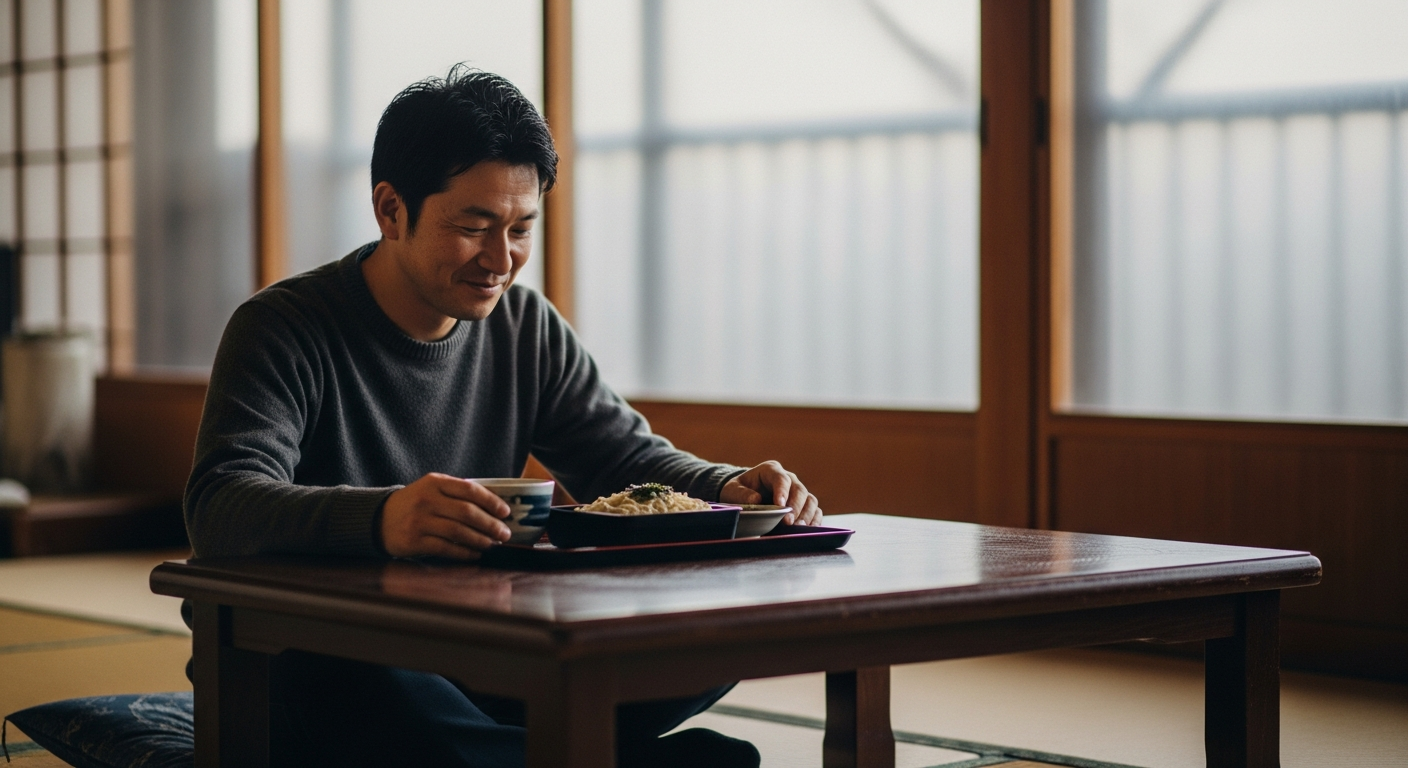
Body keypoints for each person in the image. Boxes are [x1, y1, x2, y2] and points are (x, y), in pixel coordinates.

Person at [183, 66, 822, 768]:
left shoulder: (523, 326)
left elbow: (622, 457)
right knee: (376, 691)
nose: (501, 259)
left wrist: (725, 485)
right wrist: (382, 518)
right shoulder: (283, 328)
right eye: (473, 227)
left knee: (714, 633)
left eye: (521, 229)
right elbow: (219, 506)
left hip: (478, 650)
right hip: (328, 652)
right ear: (391, 210)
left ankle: (518, 752)